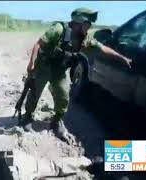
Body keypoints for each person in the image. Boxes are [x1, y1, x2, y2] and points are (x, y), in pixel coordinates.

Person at [20, 8, 132, 142]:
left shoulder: (85, 39)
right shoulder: (59, 29)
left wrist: (122, 58)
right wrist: (31, 64)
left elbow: (102, 48)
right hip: (43, 66)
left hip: (59, 70)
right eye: (87, 24)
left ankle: (56, 122)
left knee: (63, 95)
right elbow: (38, 44)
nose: (89, 27)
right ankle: (27, 117)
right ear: (79, 22)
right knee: (35, 92)